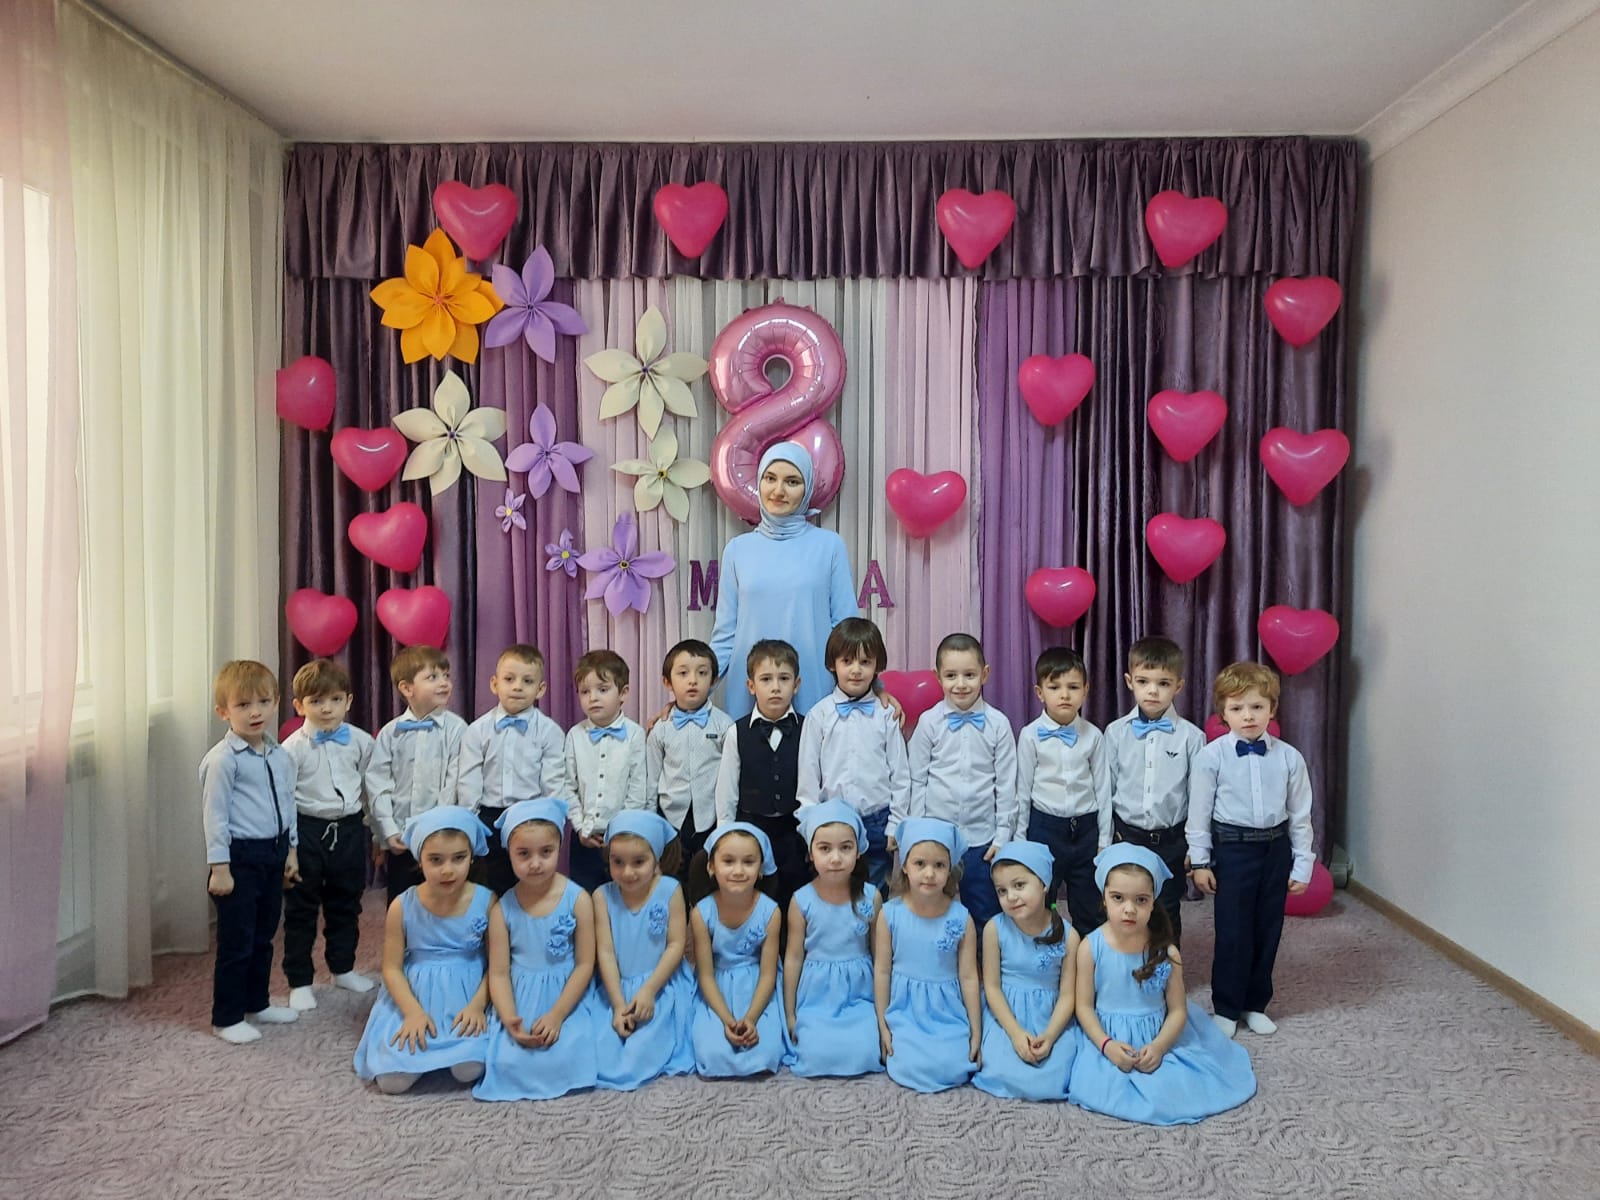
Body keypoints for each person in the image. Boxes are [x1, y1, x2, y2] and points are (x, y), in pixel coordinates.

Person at [1067, 844, 1256, 1124]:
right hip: (1106, 1033)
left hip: (1158, 1034)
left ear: (1153, 902)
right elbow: (1083, 1006)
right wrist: (1106, 1045)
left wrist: (1159, 1046)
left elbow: (1177, 1011)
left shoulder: (1167, 952)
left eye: (1141, 900)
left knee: (1175, 1090)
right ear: (1104, 898)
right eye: (1118, 898)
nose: (1129, 909)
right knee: (1095, 1085)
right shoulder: (1089, 948)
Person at [1186, 661, 1314, 1038]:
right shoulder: (1211, 757)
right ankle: (1227, 1007)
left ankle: (1255, 1004)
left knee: (1267, 928)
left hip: (1275, 850)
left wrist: (1302, 865)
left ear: (1272, 709)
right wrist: (1200, 861)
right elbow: (1199, 814)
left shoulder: (1290, 758)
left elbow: (1300, 815)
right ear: (1223, 713)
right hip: (1233, 850)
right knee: (1232, 930)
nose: (1248, 716)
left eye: (1257, 706)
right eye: (1237, 708)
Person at [708, 441, 858, 720]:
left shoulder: (829, 546)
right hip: (749, 692)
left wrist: (872, 690)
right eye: (770, 478)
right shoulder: (737, 550)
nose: (778, 491)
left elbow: (847, 629)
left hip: (813, 688)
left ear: (807, 488)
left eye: (792, 482)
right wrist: (687, 699)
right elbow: (725, 636)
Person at [352, 808, 494, 1093]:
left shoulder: (487, 901)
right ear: (420, 859)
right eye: (435, 860)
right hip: (415, 993)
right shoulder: (402, 905)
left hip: (466, 994)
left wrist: (478, 1005)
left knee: (468, 1069)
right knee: (392, 1082)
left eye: (458, 858)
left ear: (471, 857)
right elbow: (391, 969)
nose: (447, 870)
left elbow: (497, 965)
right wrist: (412, 1012)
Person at [201, 660, 300, 1044]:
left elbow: (287, 803)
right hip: (239, 859)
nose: (255, 712)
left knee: (264, 935)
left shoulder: (279, 755)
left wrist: (290, 851)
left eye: (263, 702)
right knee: (237, 941)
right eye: (243, 705)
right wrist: (219, 867)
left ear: (276, 702)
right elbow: (215, 816)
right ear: (223, 712)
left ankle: (257, 1002)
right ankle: (226, 1017)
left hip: (273, 853)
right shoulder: (223, 760)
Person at [474, 799, 599, 1101]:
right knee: (508, 1060)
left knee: (571, 1052)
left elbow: (585, 964)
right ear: (509, 853)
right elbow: (499, 972)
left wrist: (557, 1014)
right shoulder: (502, 908)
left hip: (566, 992)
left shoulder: (578, 899)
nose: (535, 863)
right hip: (521, 994)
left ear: (560, 849)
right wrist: (509, 1018)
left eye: (546, 852)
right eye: (523, 854)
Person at [280, 658, 376, 1011]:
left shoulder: (361, 742)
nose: (327, 708)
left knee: (346, 903)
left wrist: (377, 834)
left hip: (349, 829)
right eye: (316, 701)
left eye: (335, 700)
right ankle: (300, 981)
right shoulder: (291, 749)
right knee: (301, 908)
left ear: (348, 701)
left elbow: (371, 788)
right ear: (299, 705)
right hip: (307, 830)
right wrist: (290, 850)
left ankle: (342, 968)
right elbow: (284, 802)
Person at [906, 633, 1018, 927]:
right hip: (936, 838)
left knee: (984, 913)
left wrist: (1002, 836)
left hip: (982, 840)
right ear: (937, 677)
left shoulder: (998, 724)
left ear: (985, 674)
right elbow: (917, 780)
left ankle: (980, 956)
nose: (961, 684)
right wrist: (917, 833)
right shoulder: (929, 722)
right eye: (951, 675)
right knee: (932, 910)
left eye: (969, 675)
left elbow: (1007, 785)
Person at [1105, 637, 1206, 943]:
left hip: (1171, 840)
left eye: (1163, 683)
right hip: (1127, 836)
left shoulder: (1192, 737)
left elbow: (1198, 797)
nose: (1152, 690)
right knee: (1126, 908)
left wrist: (1195, 848)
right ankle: (1127, 963)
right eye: (1143, 681)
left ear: (1178, 686)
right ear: (1129, 682)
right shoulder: (1115, 733)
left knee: (1167, 908)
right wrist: (1105, 840)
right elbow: (1106, 790)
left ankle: (1167, 966)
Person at [796, 618, 908, 891]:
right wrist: (810, 825)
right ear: (832, 664)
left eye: (865, 662)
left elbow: (900, 775)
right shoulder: (819, 715)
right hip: (831, 822)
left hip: (878, 821)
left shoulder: (886, 714)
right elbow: (808, 776)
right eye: (847, 661)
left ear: (877, 665)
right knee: (834, 893)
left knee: (875, 895)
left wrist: (896, 824)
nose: (856, 670)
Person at [873, 817, 980, 1093]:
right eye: (920, 864)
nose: (929, 874)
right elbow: (882, 971)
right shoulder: (890, 914)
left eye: (939, 865)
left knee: (953, 1065)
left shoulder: (961, 918)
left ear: (950, 869)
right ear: (905, 866)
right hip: (905, 1009)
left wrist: (975, 1030)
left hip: (947, 1010)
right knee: (909, 1064)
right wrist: (883, 1026)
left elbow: (969, 977)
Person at [591, 811, 695, 1090]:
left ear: (656, 859)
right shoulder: (601, 896)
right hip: (616, 987)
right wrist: (617, 1005)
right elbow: (606, 953)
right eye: (618, 862)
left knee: (640, 1054)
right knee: (599, 1050)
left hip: (662, 985)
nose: (628, 872)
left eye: (639, 862)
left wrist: (649, 991)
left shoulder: (670, 889)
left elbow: (675, 945)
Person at [783, 800, 884, 1078]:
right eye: (825, 849)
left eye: (845, 848)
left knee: (864, 1051)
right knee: (815, 1054)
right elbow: (793, 958)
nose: (836, 858)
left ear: (858, 851)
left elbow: (880, 959)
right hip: (817, 994)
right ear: (810, 853)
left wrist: (882, 1014)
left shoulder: (871, 896)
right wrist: (790, 1013)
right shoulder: (801, 900)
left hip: (860, 993)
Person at [1015, 646, 1110, 937]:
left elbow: (1103, 789)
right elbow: (1022, 790)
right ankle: (1043, 954)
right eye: (1054, 687)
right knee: (1041, 900)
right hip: (1044, 827)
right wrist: (1020, 840)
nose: (1064, 695)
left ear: (1086, 691)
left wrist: (1104, 840)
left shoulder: (1094, 735)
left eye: (1073, 687)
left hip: (1086, 828)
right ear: (1040, 692)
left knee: (1089, 904)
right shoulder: (1030, 735)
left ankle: (1087, 957)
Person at [972, 841, 1078, 1101]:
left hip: (1050, 1017)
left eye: (1019, 885)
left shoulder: (1069, 936)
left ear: (1044, 884)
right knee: (999, 1069)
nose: (1011, 897)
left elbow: (1068, 995)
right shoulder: (994, 929)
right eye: (1002, 891)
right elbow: (992, 987)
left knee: (1060, 1073)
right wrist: (1016, 1033)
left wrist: (1050, 1035)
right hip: (1006, 1013)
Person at [456, 644, 564, 895]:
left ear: (541, 689)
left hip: (531, 816)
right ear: (495, 684)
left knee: (531, 882)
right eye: (509, 679)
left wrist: (553, 825)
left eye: (527, 681)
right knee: (490, 884)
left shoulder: (549, 731)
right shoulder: (477, 730)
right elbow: (469, 779)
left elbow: (554, 781)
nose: (517, 687)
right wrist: (469, 822)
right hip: (488, 817)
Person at [368, 646, 468, 905]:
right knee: (402, 903)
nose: (444, 683)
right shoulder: (391, 733)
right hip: (402, 836)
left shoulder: (457, 729)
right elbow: (378, 784)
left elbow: (455, 781)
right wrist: (387, 830)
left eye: (446, 676)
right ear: (406, 688)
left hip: (441, 837)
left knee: (443, 902)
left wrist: (438, 826)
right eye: (432, 677)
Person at [687, 823, 789, 1077]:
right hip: (717, 989)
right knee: (712, 1055)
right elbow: (705, 974)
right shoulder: (702, 912)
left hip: (757, 989)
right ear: (711, 867)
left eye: (748, 862)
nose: (738, 871)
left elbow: (768, 974)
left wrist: (751, 1018)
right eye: (728, 861)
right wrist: (727, 1019)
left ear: (761, 868)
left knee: (765, 1053)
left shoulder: (771, 911)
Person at [713, 639, 809, 910]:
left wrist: (810, 834)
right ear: (751, 686)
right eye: (766, 679)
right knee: (754, 899)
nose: (775, 687)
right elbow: (727, 790)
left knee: (795, 898)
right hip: (750, 829)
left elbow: (813, 784)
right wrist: (725, 835)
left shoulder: (809, 728)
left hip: (794, 832)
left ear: (796, 684)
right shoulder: (736, 732)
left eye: (784, 679)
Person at [646, 639, 732, 880]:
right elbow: (651, 779)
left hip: (711, 817)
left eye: (702, 673)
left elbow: (730, 779)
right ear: (667, 682)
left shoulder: (725, 725)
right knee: (671, 878)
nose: (693, 680)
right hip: (670, 817)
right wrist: (650, 823)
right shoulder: (661, 728)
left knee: (707, 879)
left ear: (713, 680)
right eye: (683, 673)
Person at [562, 649, 647, 891]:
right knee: (585, 898)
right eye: (585, 691)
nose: (593, 698)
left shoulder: (635, 735)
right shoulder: (575, 735)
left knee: (623, 897)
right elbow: (567, 785)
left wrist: (622, 831)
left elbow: (637, 788)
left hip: (624, 838)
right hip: (585, 839)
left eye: (602, 689)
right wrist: (581, 827)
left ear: (623, 693)